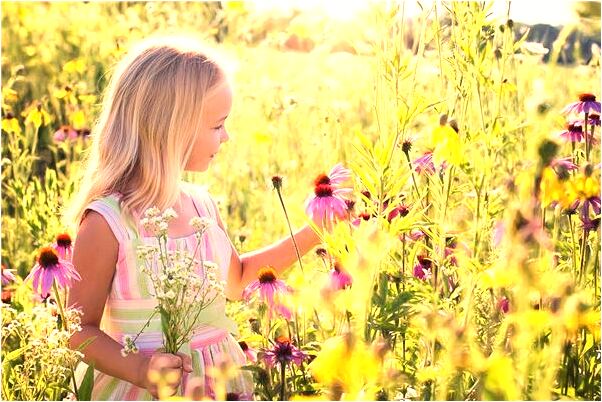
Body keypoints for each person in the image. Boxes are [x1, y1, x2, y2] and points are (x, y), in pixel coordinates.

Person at [66, 35, 322, 400]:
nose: (227, 136)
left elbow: (238, 281)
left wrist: (315, 232)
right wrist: (140, 369)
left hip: (220, 384)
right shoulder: (108, 222)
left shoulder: (202, 205)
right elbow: (78, 330)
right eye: (218, 125)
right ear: (171, 129)